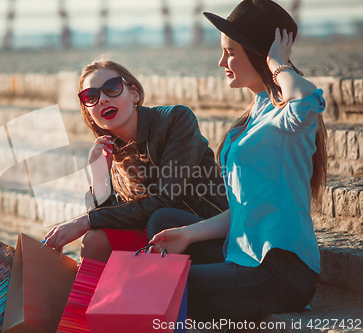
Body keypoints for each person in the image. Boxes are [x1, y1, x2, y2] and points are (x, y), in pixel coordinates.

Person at [148, 0, 327, 323]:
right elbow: (244, 209)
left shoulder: (285, 117)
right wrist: (188, 234)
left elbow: (307, 100)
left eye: (230, 52)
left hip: (280, 271)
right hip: (243, 256)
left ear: (258, 54)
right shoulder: (256, 111)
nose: (221, 61)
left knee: (166, 287)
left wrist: (278, 64)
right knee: (163, 222)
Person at [44, 59, 228, 262]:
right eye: (91, 96)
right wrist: (99, 178)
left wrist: (83, 222)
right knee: (96, 239)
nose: (103, 99)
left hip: (209, 234)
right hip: (157, 235)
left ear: (134, 94)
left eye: (112, 88)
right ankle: (91, 294)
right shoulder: (110, 153)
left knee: (162, 218)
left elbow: (164, 200)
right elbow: (112, 220)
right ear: (88, 111)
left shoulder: (176, 120)